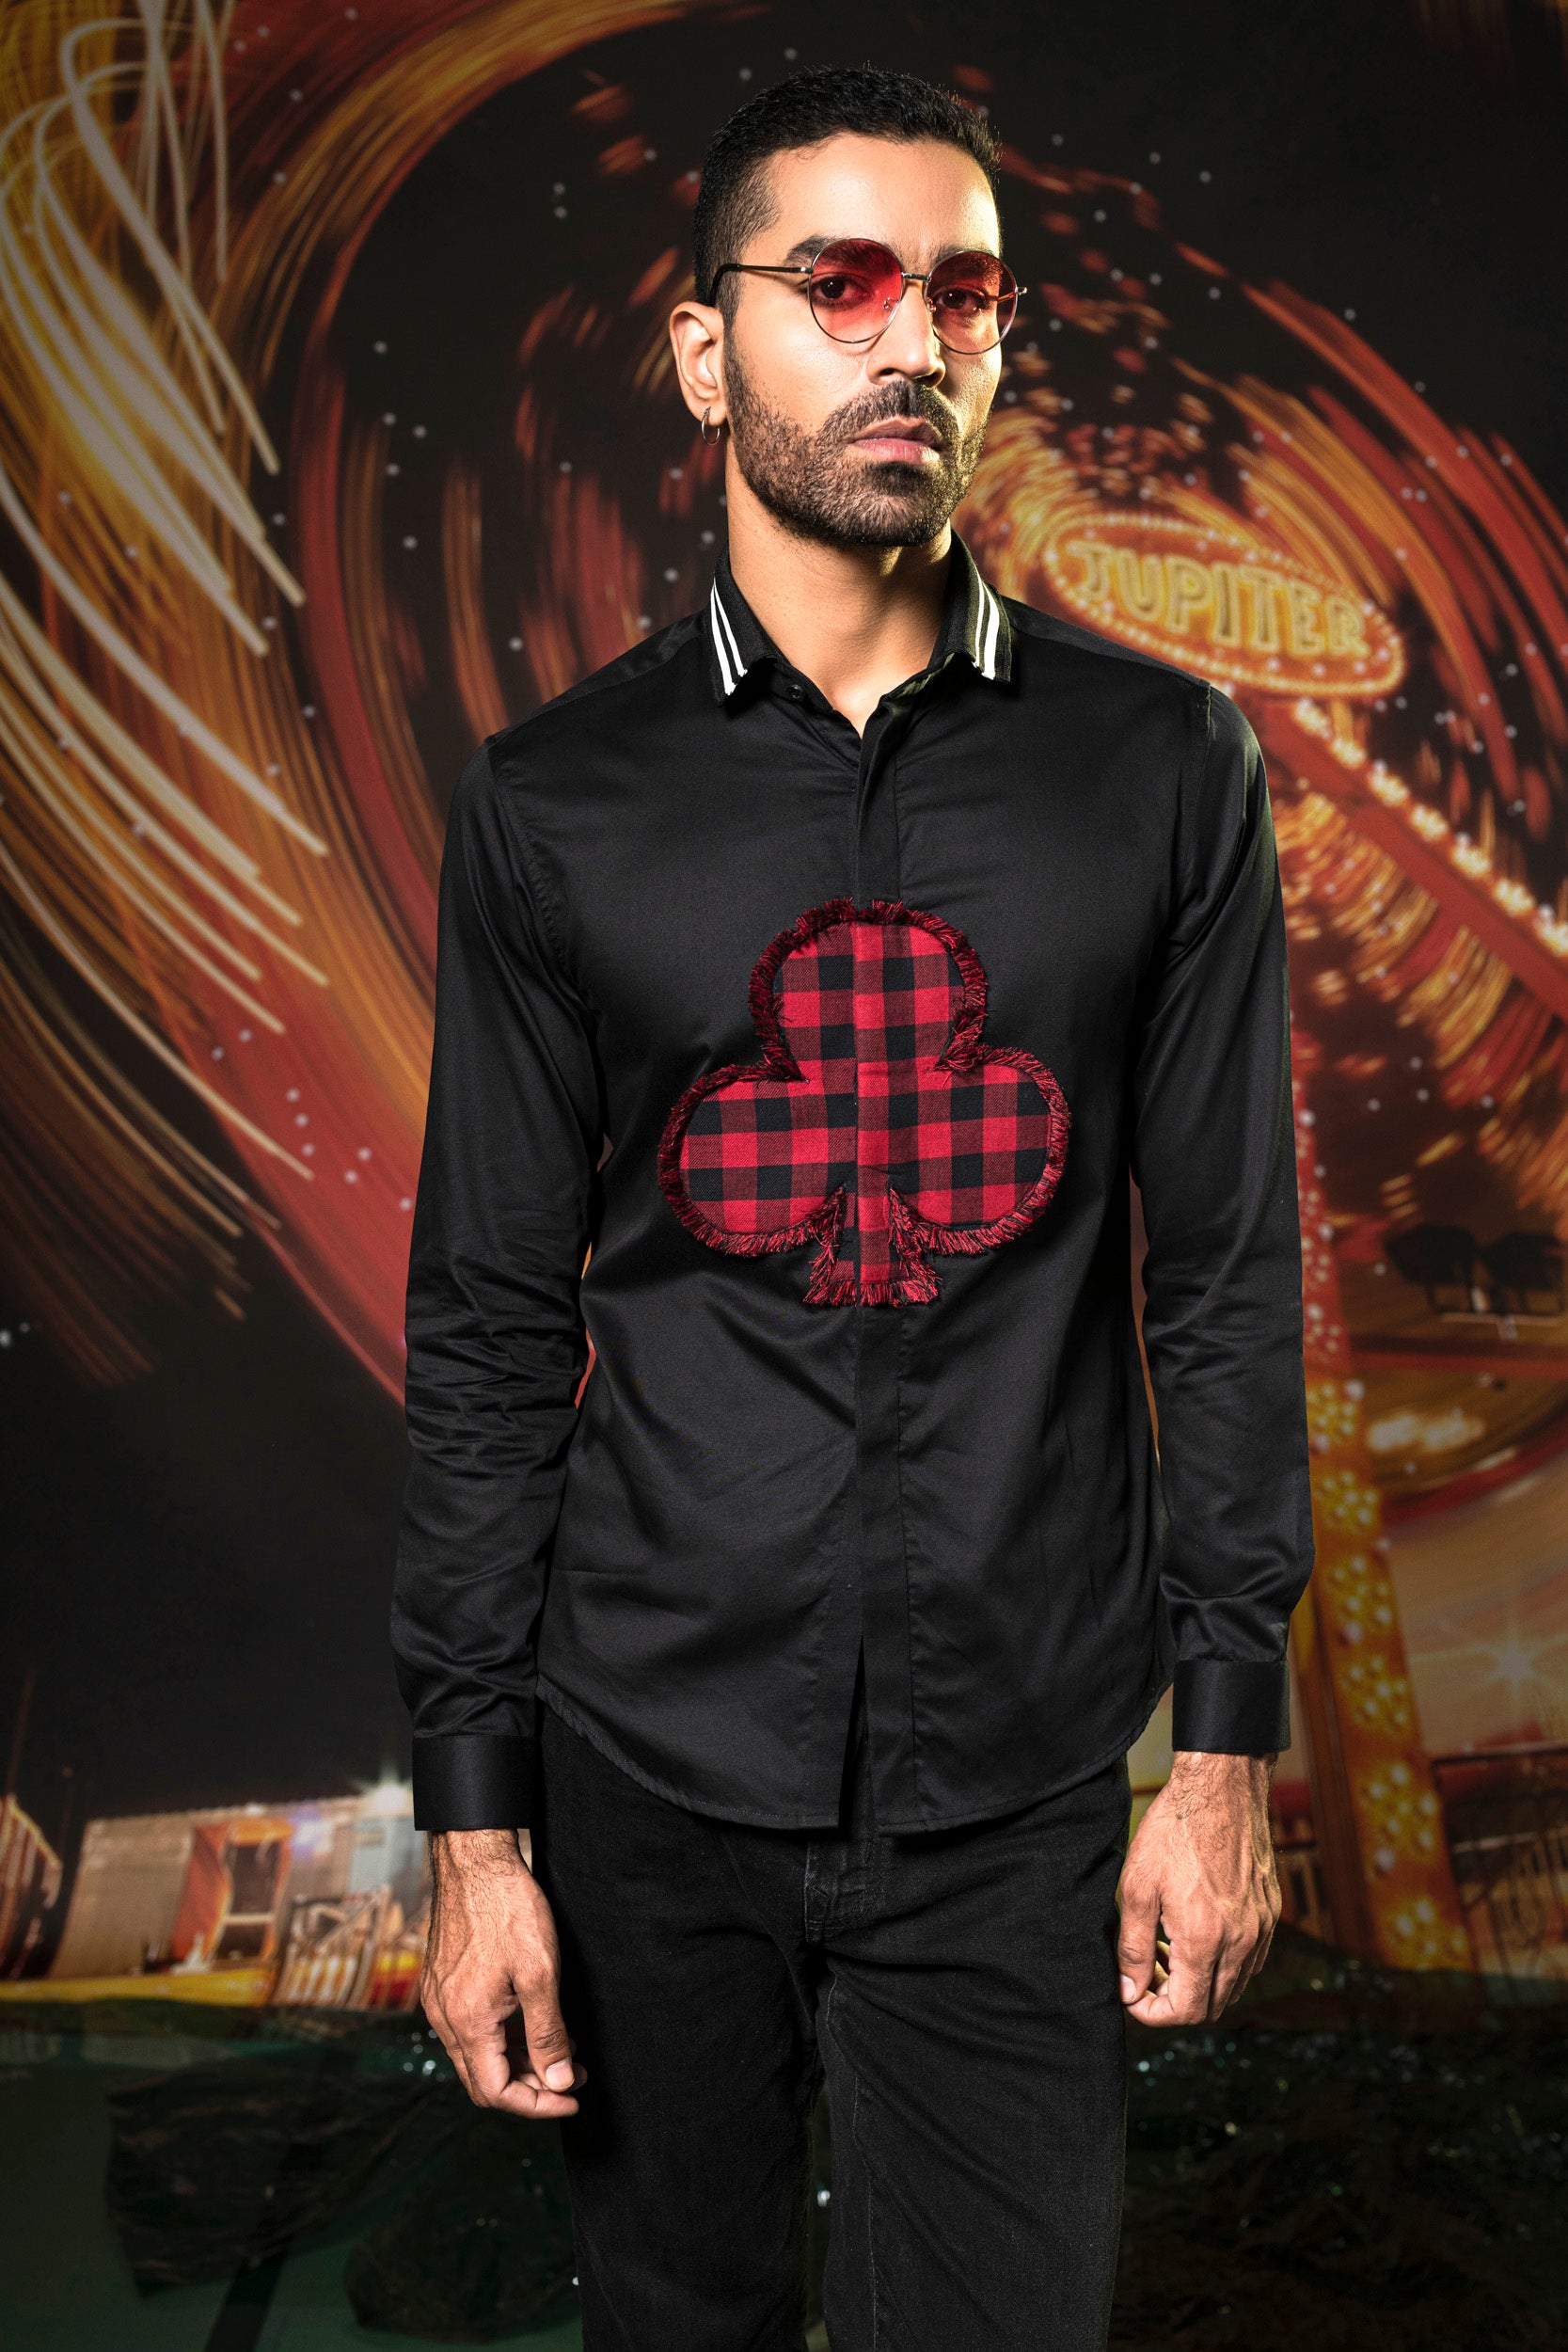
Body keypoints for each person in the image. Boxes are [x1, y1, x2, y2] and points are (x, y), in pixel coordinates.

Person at [392, 63, 1312, 2352]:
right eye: (847, 283)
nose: (917, 343)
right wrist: (476, 1832)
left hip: (1021, 1783)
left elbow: (1223, 1281)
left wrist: (1223, 1749)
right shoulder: (552, 803)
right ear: (707, 351)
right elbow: (490, 1317)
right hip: (642, 1763)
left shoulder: (1164, 770)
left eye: (966, 295)